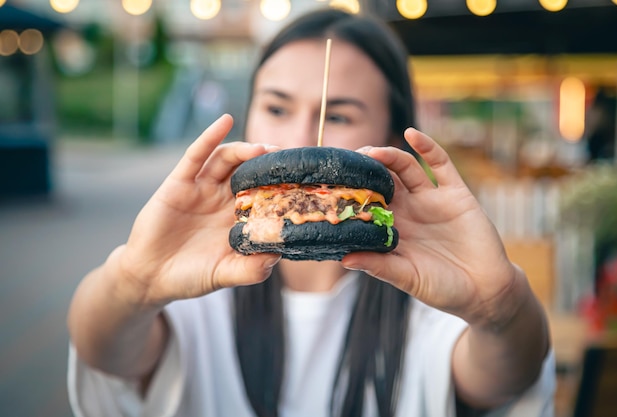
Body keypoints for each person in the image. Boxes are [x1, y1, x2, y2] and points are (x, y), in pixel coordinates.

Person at [66, 8, 555, 417]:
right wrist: (134, 282)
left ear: (390, 139)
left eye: (338, 115)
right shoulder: (198, 288)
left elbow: (503, 379)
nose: (302, 137)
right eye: (277, 108)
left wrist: (501, 308)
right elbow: (104, 351)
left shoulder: (428, 296)